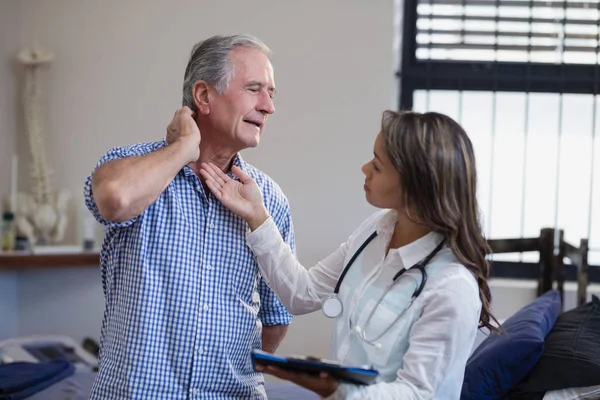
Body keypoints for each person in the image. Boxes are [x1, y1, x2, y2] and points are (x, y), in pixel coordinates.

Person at [199, 109, 501, 399]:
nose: (365, 168)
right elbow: (302, 293)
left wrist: (332, 388)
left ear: (415, 186)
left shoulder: (452, 287)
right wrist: (257, 215)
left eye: (378, 165)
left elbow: (416, 394)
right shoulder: (376, 230)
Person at [84, 34, 295, 399]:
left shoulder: (269, 199)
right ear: (203, 96)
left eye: (271, 93)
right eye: (254, 89)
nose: (268, 107)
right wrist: (184, 147)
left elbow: (276, 320)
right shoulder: (130, 166)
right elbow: (114, 199)